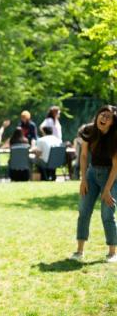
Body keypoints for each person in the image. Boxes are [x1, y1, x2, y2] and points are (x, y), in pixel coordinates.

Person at [70, 105, 117, 263]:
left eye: (108, 117)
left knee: (107, 214)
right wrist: (83, 179)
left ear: (112, 122)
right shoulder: (89, 130)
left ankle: (112, 253)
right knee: (83, 211)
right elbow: (83, 156)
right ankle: (79, 251)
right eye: (102, 114)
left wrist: (107, 189)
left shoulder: (115, 136)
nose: (103, 118)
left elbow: (116, 165)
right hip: (91, 173)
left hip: (111, 175)